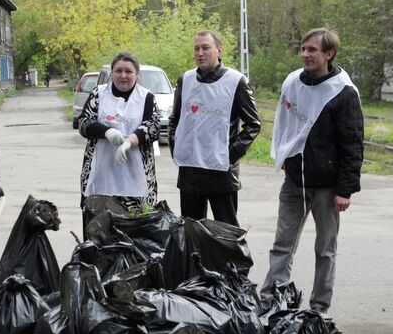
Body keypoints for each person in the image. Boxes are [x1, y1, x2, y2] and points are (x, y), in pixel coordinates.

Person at [260, 28, 363, 314]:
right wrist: (284, 160)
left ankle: (319, 306)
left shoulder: (343, 93)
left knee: (325, 249)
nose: (305, 54)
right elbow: (284, 124)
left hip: (328, 187)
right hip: (295, 182)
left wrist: (345, 190)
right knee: (283, 243)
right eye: (303, 49)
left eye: (312, 50)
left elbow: (352, 144)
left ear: (329, 54)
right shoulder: (293, 81)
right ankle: (272, 298)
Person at [168, 30, 261, 227]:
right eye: (196, 48)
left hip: (221, 173)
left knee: (226, 231)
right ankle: (196, 261)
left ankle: (227, 260)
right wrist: (177, 148)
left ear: (219, 50)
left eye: (205, 48)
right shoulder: (185, 80)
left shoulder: (236, 82)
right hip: (190, 172)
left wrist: (229, 155)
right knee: (191, 231)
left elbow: (253, 124)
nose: (200, 53)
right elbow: (175, 119)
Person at [78, 51, 162, 232]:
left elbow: (153, 127)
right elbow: (84, 123)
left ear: (136, 74)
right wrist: (107, 131)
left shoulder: (146, 98)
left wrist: (130, 141)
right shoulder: (98, 94)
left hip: (136, 179)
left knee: (135, 233)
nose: (123, 75)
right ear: (111, 73)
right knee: (98, 232)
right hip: (100, 177)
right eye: (118, 71)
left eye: (128, 71)